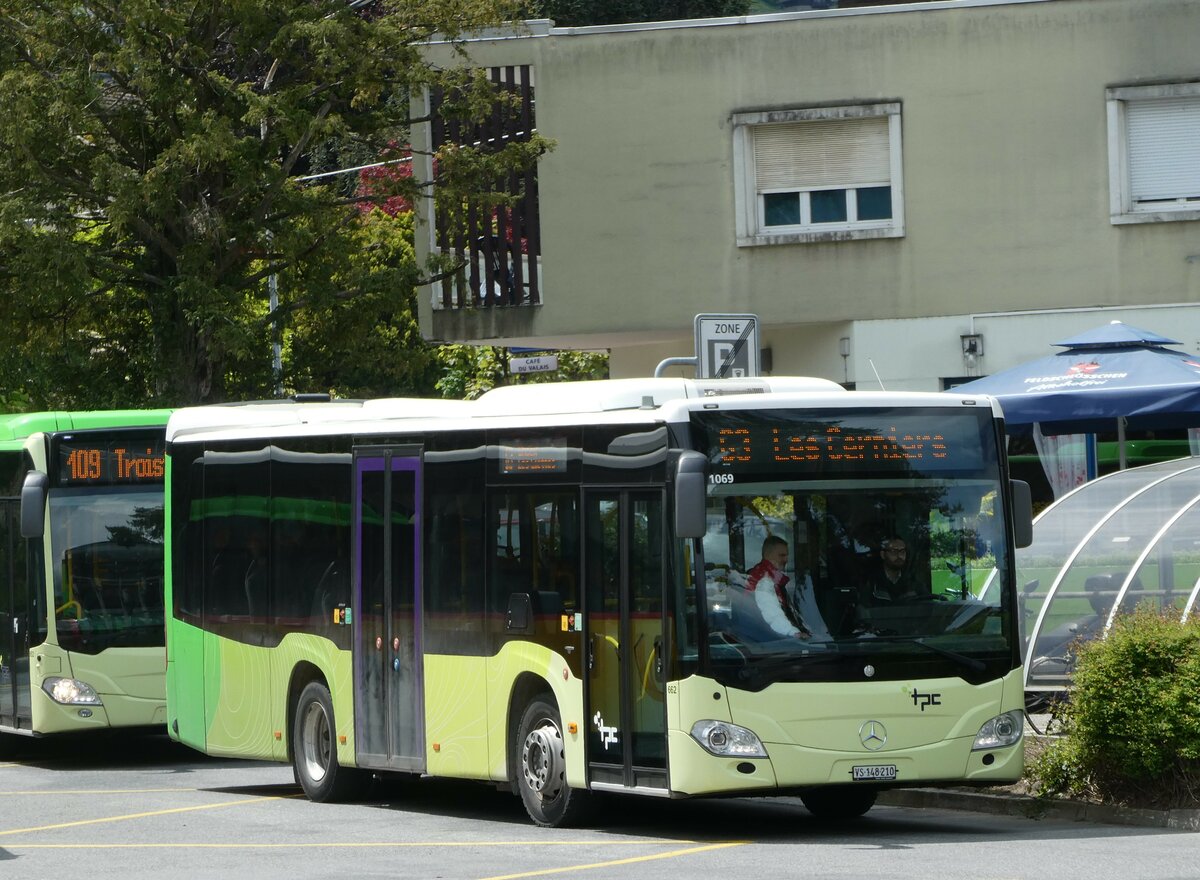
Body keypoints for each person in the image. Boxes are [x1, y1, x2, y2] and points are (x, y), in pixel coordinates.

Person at [744, 535, 810, 640]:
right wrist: (793, 633)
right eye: (782, 555)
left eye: (787, 555)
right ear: (768, 555)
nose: (786, 559)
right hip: (768, 640)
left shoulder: (768, 576)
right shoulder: (764, 579)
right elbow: (772, 614)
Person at [862, 534, 925, 603]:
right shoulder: (872, 584)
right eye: (893, 551)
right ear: (883, 555)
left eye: (902, 551)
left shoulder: (913, 582)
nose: (899, 556)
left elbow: (927, 604)